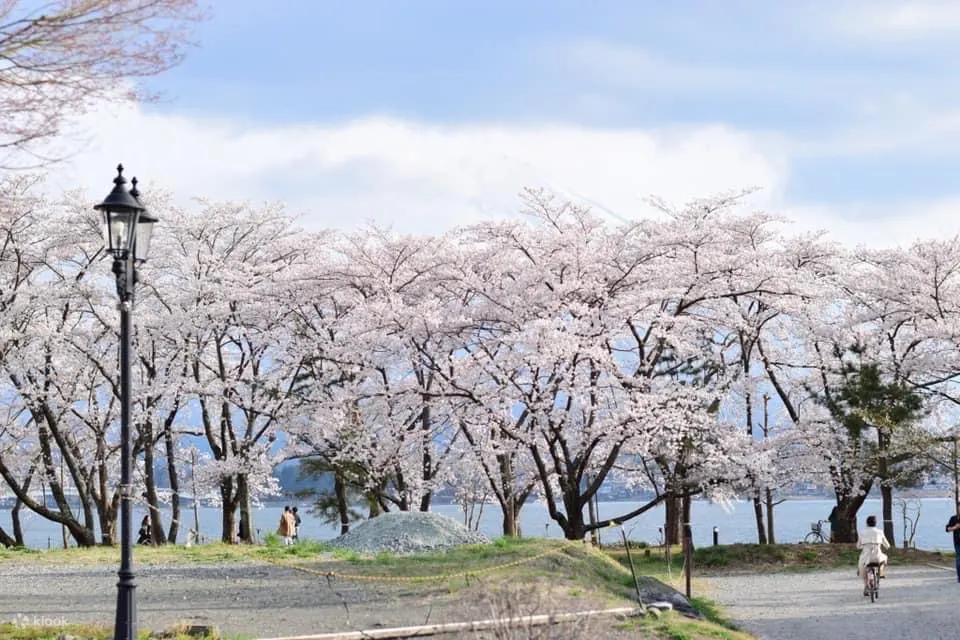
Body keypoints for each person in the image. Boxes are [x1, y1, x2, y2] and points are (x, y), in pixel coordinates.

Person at [857, 515, 890, 596]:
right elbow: (887, 546)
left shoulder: (862, 532)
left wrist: (863, 546)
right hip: (877, 557)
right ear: (876, 523)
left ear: (867, 523)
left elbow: (858, 546)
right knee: (885, 558)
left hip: (866, 558)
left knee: (863, 570)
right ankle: (881, 572)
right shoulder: (880, 532)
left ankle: (866, 586)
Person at [946, 509, 960, 583]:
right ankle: (959, 577)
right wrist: (955, 527)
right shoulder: (954, 518)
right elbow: (947, 529)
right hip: (958, 542)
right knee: (959, 559)